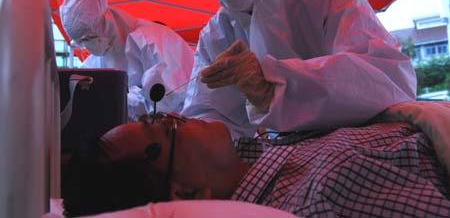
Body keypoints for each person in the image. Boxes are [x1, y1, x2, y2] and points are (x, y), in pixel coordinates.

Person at [181, 0, 417, 139]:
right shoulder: (217, 34)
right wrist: (187, 137)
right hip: (291, 162)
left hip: (364, 144)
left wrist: (274, 84)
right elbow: (209, 118)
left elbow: (388, 80)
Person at [61, 109, 450, 217]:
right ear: (186, 192)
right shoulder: (325, 190)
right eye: (164, 127)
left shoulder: (265, 151)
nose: (177, 114)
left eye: (161, 113)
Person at [60, 0, 195, 119]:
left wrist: (114, 99)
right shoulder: (101, 57)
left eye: (88, 39)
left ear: (105, 22)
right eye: (81, 43)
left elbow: (166, 103)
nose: (87, 46)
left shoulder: (152, 41)